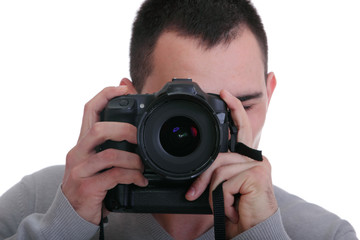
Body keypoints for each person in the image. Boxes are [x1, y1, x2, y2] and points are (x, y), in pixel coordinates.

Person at [0, 0, 357, 239]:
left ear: (270, 93)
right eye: (187, 111)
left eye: (241, 107)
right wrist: (64, 225)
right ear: (130, 98)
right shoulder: (42, 202)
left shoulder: (321, 233)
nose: (219, 132)